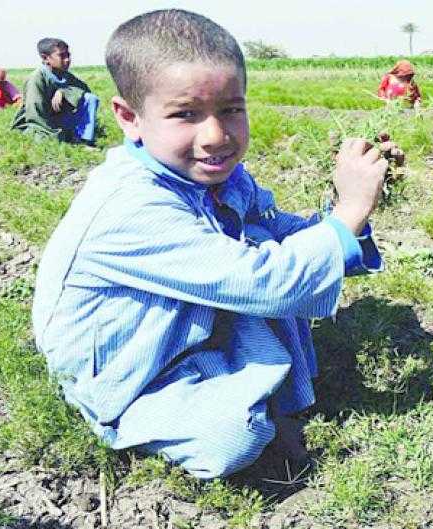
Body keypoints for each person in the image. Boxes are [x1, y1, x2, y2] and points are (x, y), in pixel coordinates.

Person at [32, 9, 395, 479]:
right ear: (128, 117)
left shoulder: (218, 176)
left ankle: (246, 376)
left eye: (231, 109)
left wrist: (352, 207)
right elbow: (267, 283)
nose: (216, 136)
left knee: (264, 239)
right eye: (185, 114)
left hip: (174, 323)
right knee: (232, 436)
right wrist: (348, 211)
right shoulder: (132, 205)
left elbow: (281, 231)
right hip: (125, 365)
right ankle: (130, 416)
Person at [11, 38, 100, 144]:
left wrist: (64, 92)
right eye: (62, 56)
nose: (67, 60)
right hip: (36, 123)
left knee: (90, 98)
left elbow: (84, 90)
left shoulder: (65, 74)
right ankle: (66, 137)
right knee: (44, 140)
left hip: (58, 118)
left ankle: (84, 140)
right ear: (45, 58)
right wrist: (56, 135)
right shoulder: (36, 79)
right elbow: (35, 114)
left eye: (68, 55)